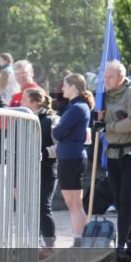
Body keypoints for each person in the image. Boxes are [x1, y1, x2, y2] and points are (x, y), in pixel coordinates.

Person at [98, 61, 131, 262]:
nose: (105, 80)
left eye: (109, 76)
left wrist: (109, 126)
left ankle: (121, 247)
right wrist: (97, 120)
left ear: (120, 77)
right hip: (112, 153)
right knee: (119, 203)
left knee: (126, 202)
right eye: (105, 76)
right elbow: (99, 121)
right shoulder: (104, 97)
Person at [52, 73, 93, 244]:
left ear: (74, 87)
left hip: (71, 157)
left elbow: (57, 132)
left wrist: (57, 127)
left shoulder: (77, 107)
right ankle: (80, 239)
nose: (62, 89)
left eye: (65, 85)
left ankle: (78, 240)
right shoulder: (78, 106)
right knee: (75, 203)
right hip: (72, 156)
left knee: (73, 203)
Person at [22, 88, 59, 258]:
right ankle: (33, 244)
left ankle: (49, 245)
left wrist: (44, 153)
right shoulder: (24, 119)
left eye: (25, 99)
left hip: (46, 169)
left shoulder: (52, 120)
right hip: (28, 169)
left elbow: (60, 146)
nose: (21, 103)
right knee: (30, 208)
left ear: (36, 102)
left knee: (43, 207)